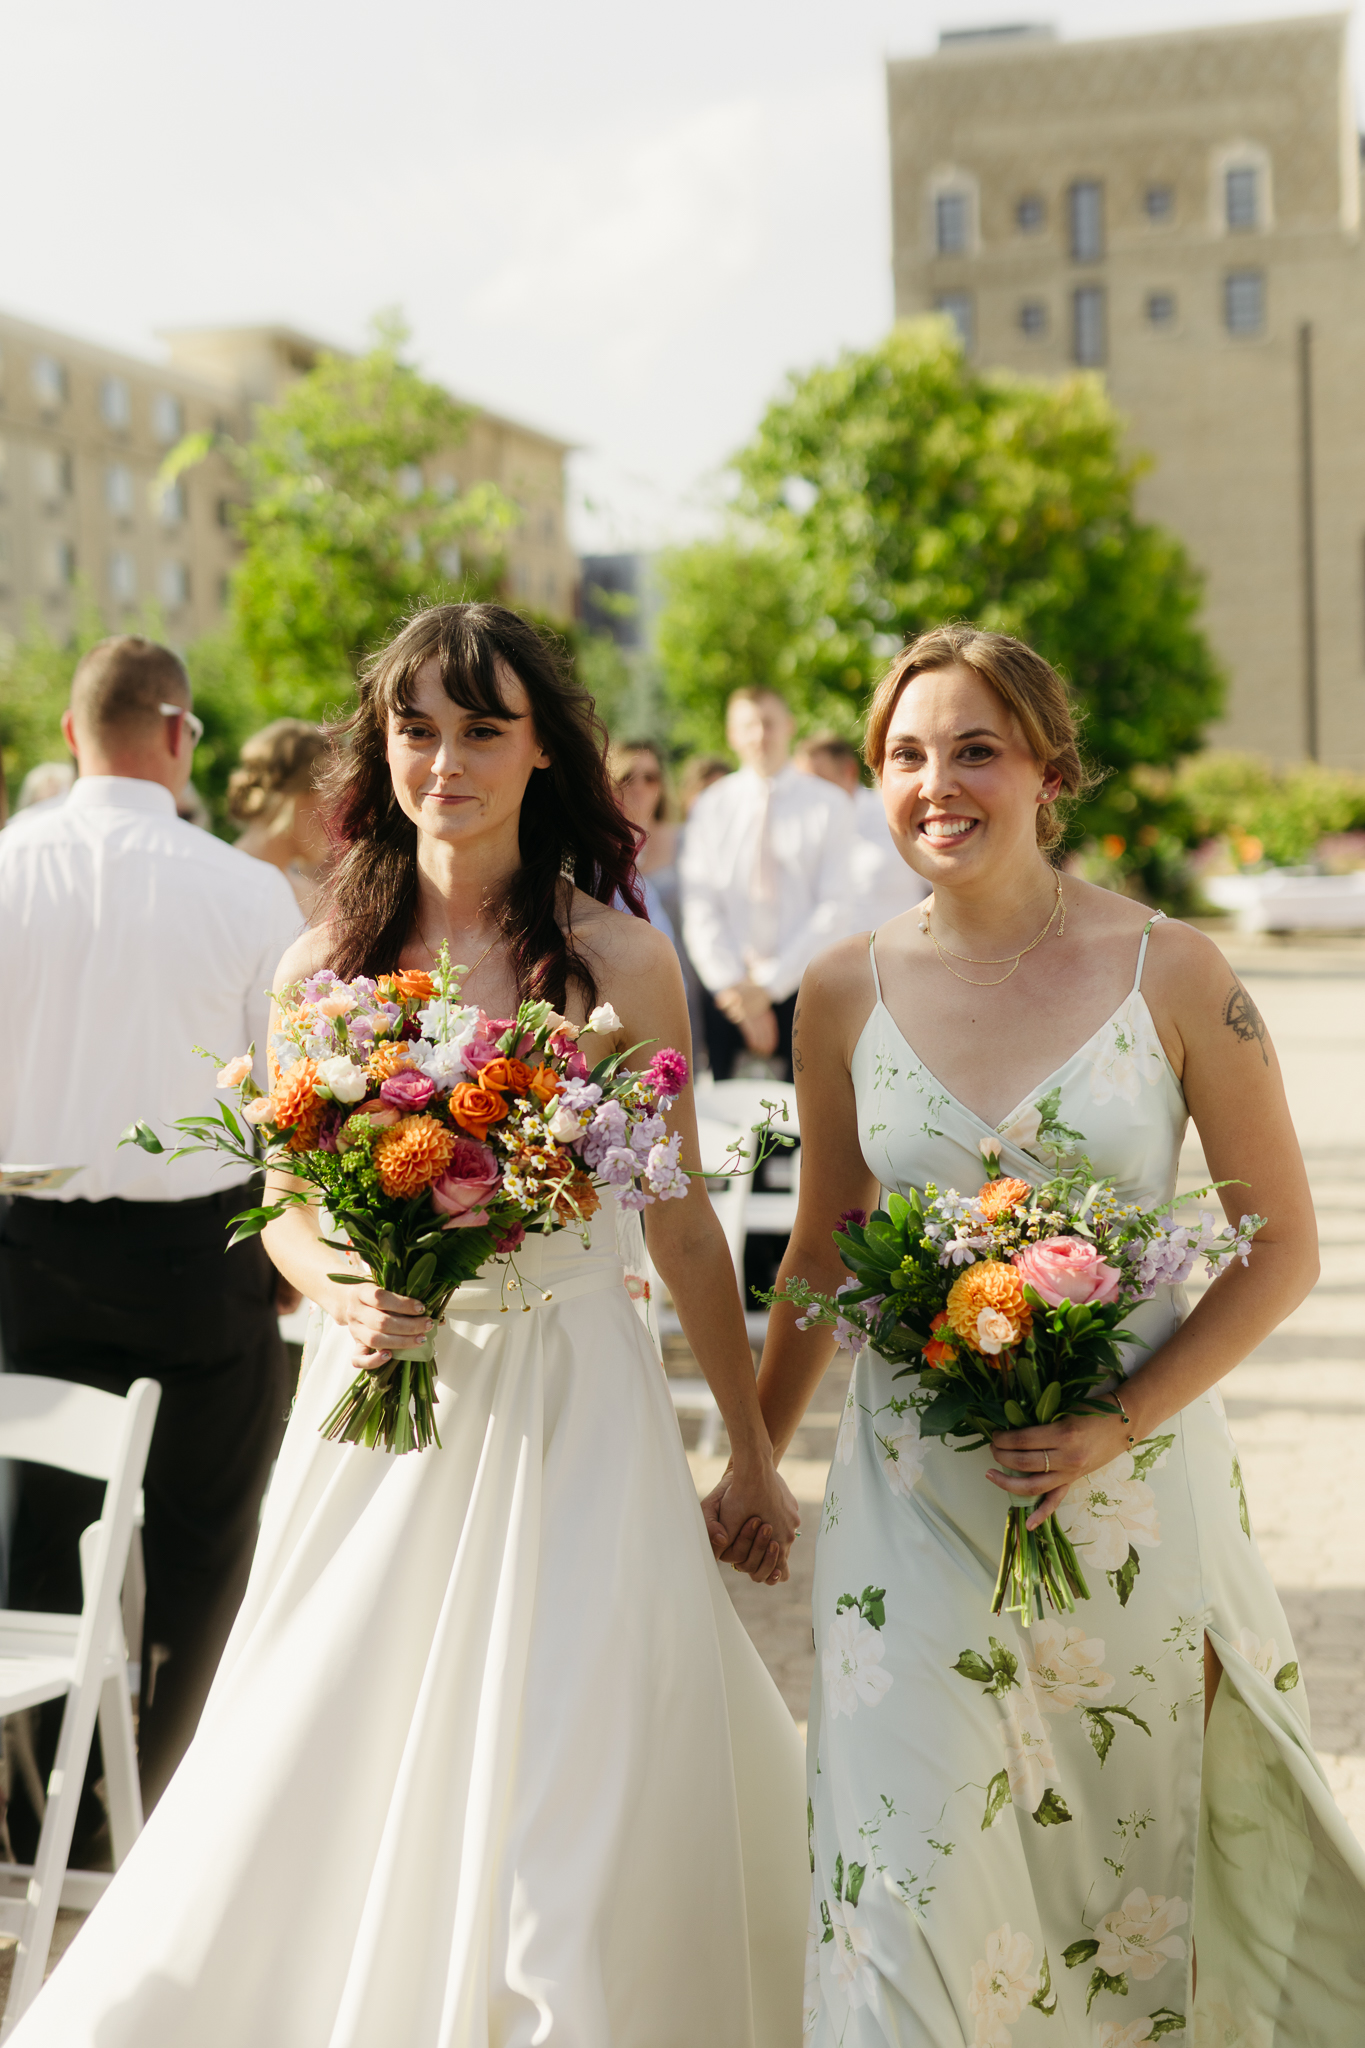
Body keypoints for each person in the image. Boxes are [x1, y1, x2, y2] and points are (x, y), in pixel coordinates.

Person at [11, 603, 808, 2048]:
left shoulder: (617, 962)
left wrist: (749, 1451)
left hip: (579, 1402)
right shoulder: (315, 967)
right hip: (380, 1409)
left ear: (541, 753)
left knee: (578, 1772)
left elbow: (684, 1221)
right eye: (416, 728)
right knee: (336, 1740)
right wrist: (341, 1285)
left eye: (483, 730)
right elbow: (284, 1205)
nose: (446, 759)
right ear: (380, 749)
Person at [706, 624, 1365, 2042]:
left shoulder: (1173, 972)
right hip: (911, 1513)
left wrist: (1114, 1421)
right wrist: (755, 1454)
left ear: (1048, 772)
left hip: (1130, 1507)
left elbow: (1282, 1248)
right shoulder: (838, 991)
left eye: (974, 750)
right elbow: (822, 1253)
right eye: (903, 755)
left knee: (1116, 1915)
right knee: (902, 1887)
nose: (934, 782)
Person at [0, 637, 302, 1836]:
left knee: (28, 1539)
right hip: (200, 1251)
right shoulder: (244, 890)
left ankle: (36, 1821)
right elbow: (283, 1099)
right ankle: (167, 1803)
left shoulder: (3, 866)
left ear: (73, 735)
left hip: (23, 1247)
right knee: (204, 1538)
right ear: (179, 736)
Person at [681, 687, 851, 1081]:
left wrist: (770, 986)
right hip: (728, 995)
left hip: (805, 991)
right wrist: (732, 987)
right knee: (729, 1131)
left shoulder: (830, 805)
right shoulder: (710, 807)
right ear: (731, 734)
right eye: (748, 725)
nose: (760, 735)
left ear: (789, 727)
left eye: (769, 723)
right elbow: (700, 904)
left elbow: (835, 907)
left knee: (806, 1128)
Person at [795, 729, 929, 932]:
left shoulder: (895, 819)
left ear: (849, 771)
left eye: (818, 781)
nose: (810, 793)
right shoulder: (802, 836)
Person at [228, 716, 332, 914]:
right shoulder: (222, 883)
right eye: (332, 797)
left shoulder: (312, 899)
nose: (339, 816)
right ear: (294, 795)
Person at [606, 736, 678, 942]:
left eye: (650, 778)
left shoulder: (685, 840)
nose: (639, 787)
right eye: (627, 777)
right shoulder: (597, 849)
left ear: (662, 786)